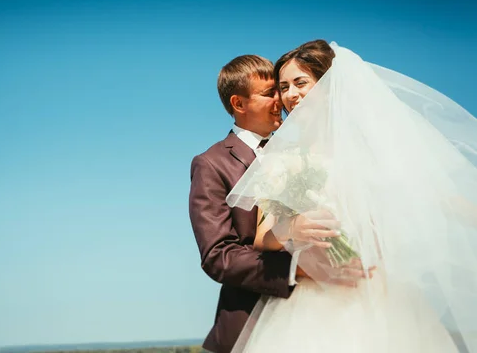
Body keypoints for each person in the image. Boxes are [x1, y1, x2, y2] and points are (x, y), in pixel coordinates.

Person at [227, 40, 477, 352]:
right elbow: (262, 236)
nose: (290, 95)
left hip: (383, 292)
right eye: (283, 86)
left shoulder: (375, 147)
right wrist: (293, 227)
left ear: (329, 84)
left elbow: (436, 197)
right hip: (313, 299)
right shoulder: (283, 156)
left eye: (300, 83)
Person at [188, 54, 361, 353]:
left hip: (330, 313)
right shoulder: (212, 164)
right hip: (252, 325)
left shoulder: (305, 151)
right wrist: (301, 269)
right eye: (270, 94)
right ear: (239, 104)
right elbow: (218, 256)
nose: (280, 100)